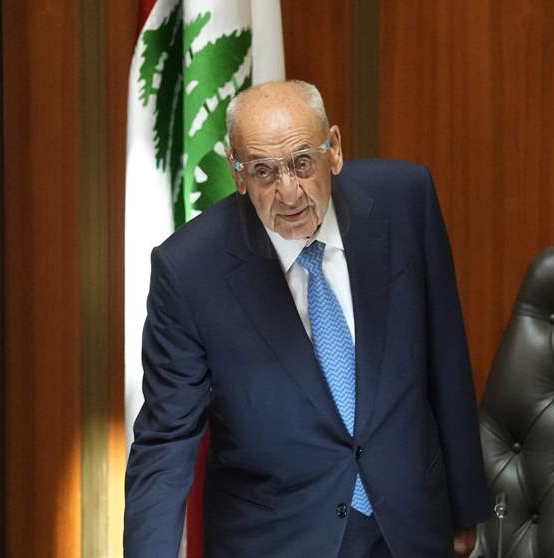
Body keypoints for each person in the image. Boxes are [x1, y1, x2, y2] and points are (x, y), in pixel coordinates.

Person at [124, 80, 490, 557]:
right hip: (278, 538)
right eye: (263, 171)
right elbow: (166, 441)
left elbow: (446, 359)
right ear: (237, 173)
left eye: (302, 163)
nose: (289, 192)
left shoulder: (405, 199)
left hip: (408, 526)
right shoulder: (189, 269)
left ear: (333, 149)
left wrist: (463, 510)